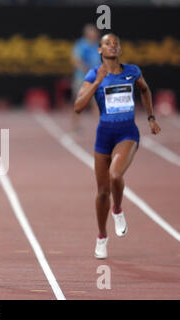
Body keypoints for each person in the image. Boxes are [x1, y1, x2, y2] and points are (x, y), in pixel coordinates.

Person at [74, 33, 161, 259]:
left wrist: (151, 117)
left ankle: (118, 210)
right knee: (102, 192)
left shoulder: (132, 71)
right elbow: (78, 106)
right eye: (107, 44)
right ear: (100, 51)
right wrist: (96, 83)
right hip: (104, 135)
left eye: (115, 43)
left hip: (127, 133)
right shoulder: (94, 74)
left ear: (120, 49)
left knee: (115, 175)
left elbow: (145, 89)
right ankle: (102, 237)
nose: (112, 46)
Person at [71, 24, 101, 132]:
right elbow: (75, 59)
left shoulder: (98, 45)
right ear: (87, 34)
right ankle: (75, 127)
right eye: (92, 33)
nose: (94, 35)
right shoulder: (81, 45)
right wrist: (86, 69)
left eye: (95, 33)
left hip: (96, 79)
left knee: (97, 103)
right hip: (82, 79)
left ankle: (100, 128)